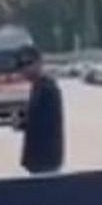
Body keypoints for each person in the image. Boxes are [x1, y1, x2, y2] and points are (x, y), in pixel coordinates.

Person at [16, 45, 65, 174]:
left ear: (39, 63)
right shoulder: (37, 87)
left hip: (46, 159)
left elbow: (45, 123)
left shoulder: (47, 88)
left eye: (28, 64)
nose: (24, 69)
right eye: (21, 66)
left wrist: (23, 122)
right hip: (38, 159)